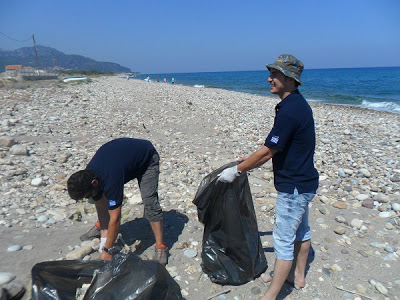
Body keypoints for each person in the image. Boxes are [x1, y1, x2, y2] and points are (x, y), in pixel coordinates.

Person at [217, 54, 318, 299]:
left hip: (293, 187)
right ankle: (298, 276)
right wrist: (247, 164)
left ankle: (270, 295)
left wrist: (237, 171)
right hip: (305, 182)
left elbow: (267, 151)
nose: (269, 78)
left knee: (283, 240)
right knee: (302, 232)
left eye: (275, 75)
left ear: (291, 80)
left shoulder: (290, 111)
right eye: (271, 73)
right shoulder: (296, 105)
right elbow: (272, 151)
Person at [67, 138, 168, 265]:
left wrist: (107, 251)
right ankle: (101, 227)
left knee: (150, 202)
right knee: (96, 197)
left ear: (94, 182)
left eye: (86, 196)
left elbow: (115, 218)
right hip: (123, 160)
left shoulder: (110, 180)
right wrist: (105, 235)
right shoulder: (89, 174)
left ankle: (161, 247)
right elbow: (99, 201)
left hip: (147, 159)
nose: (87, 199)